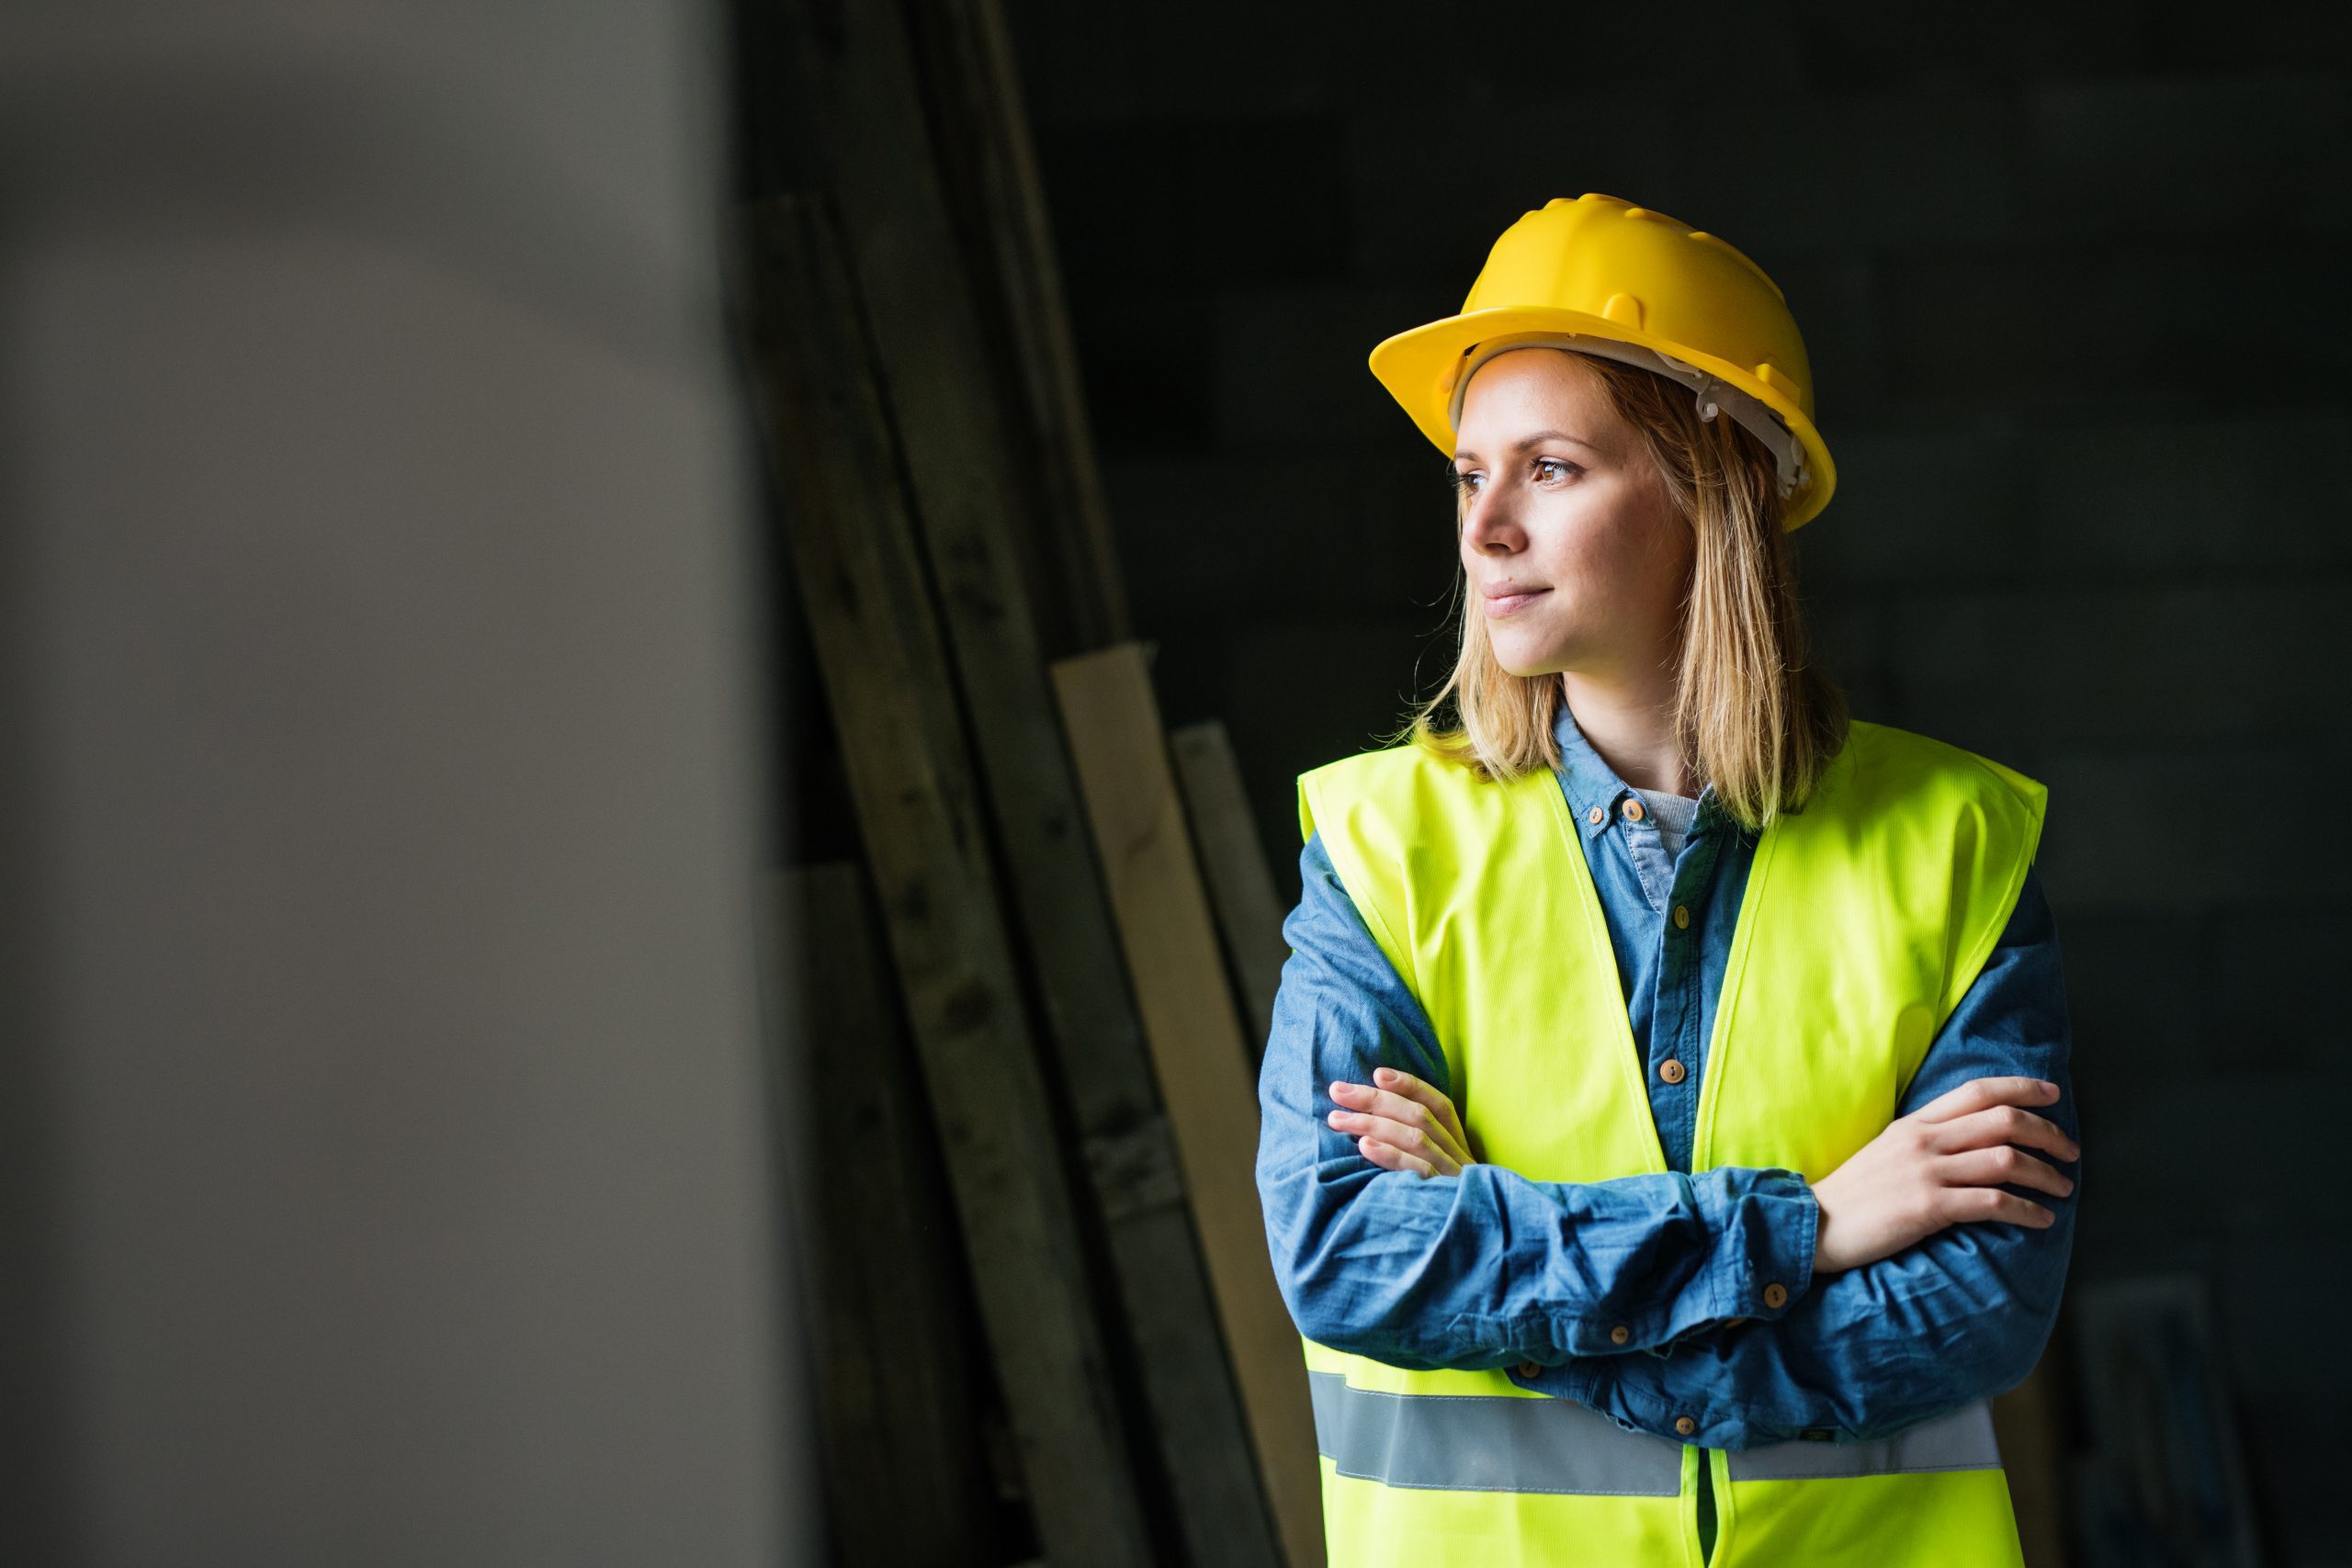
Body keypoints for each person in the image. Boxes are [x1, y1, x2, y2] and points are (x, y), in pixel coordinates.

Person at [1252, 194, 2082, 1568]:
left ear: (1722, 482)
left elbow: (1979, 1305)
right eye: (1470, 475)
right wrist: (1803, 1228)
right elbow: (1352, 1254)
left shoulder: (1957, 847)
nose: (1487, 530)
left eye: (1553, 470)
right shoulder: (1383, 847)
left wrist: (1548, 1316)